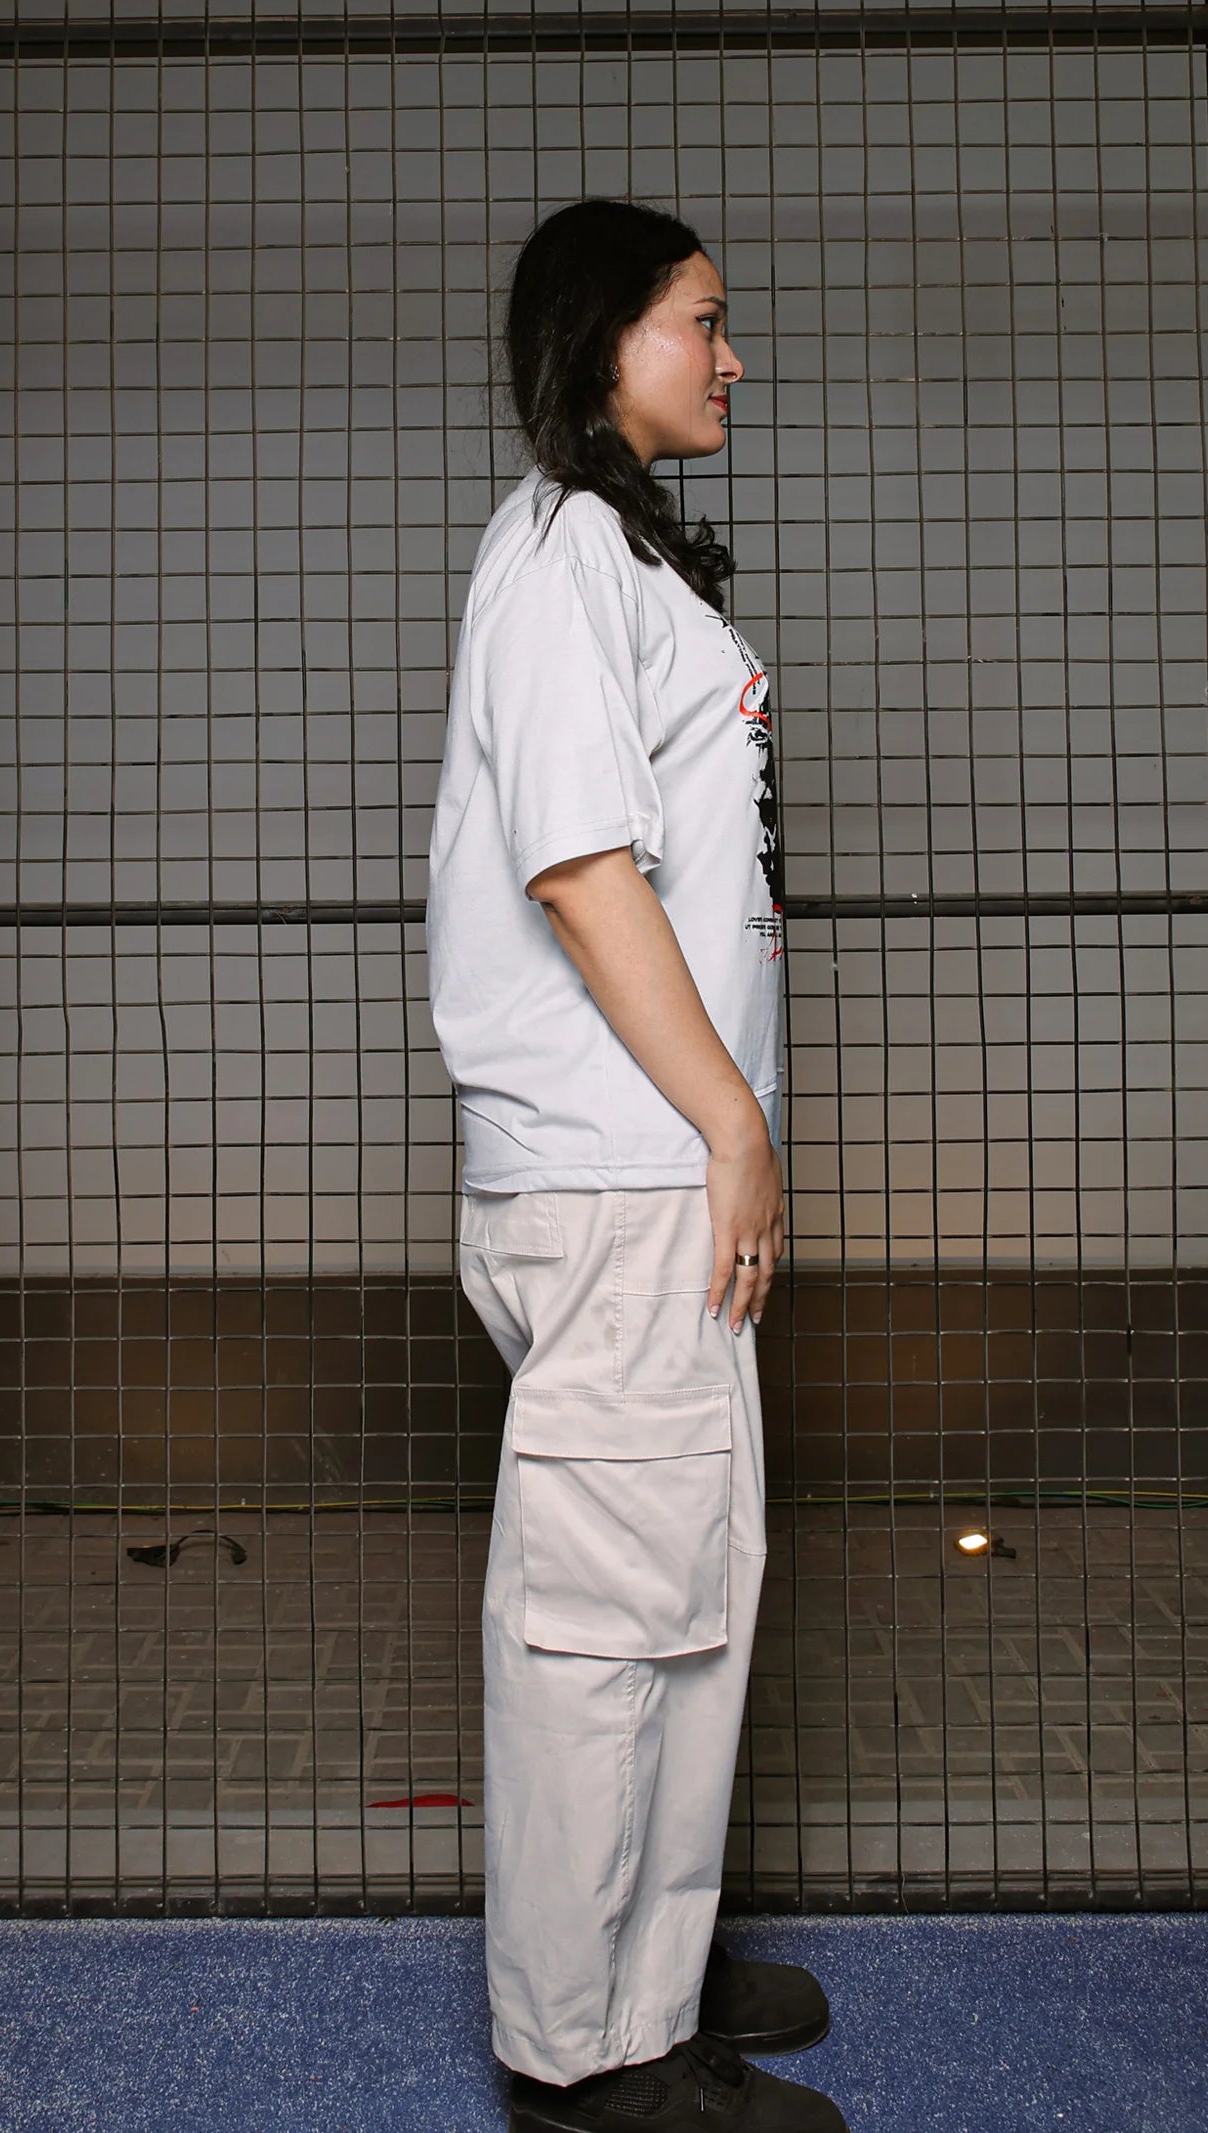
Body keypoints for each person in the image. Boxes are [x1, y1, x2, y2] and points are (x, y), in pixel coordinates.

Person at [426, 197, 846, 2133]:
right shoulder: (554, 556)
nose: (731, 355)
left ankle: (647, 1973)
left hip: (653, 1176)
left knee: (687, 1587)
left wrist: (722, 1146)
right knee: (606, 1625)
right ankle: (579, 2053)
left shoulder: (622, 556)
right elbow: (583, 873)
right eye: (701, 319)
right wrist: (733, 1125)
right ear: (603, 341)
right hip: (614, 1172)